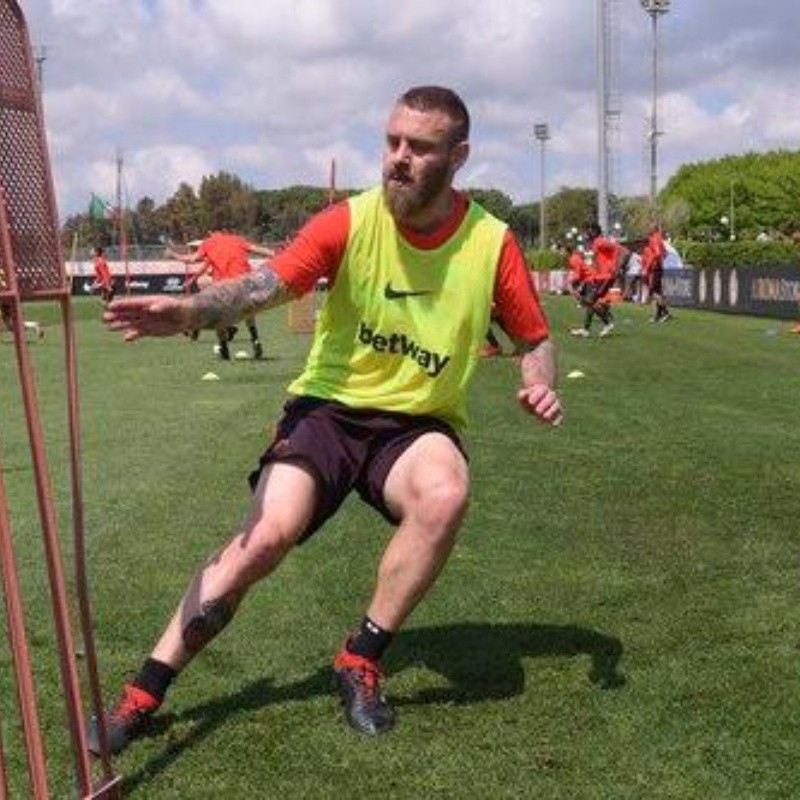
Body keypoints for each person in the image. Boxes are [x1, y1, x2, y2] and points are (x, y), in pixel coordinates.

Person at [89, 85, 563, 755]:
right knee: (263, 540)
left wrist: (538, 383)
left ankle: (360, 658)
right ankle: (142, 694)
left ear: (458, 157)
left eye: (419, 148)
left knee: (446, 490)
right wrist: (192, 311)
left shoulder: (491, 241)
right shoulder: (349, 220)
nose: (398, 158)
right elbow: (268, 284)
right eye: (392, 141)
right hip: (328, 413)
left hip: (415, 426)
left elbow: (533, 338)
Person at [168, 231, 275, 360]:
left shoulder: (208, 243)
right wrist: (276, 254)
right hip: (244, 281)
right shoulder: (237, 239)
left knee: (220, 318)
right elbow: (258, 249)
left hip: (223, 286)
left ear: (211, 234)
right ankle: (255, 339)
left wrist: (173, 255)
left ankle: (224, 349)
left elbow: (192, 259)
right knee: (249, 312)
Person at [569, 224, 622, 338]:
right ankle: (586, 329)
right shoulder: (595, 243)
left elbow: (617, 248)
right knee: (590, 302)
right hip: (599, 277)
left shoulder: (599, 241)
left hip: (606, 276)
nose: (588, 233)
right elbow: (598, 261)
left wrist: (614, 265)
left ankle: (608, 322)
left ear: (595, 231)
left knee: (590, 301)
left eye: (590, 231)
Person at [643, 224, 672, 323]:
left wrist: (651, 263)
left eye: (648, 227)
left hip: (655, 268)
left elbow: (658, 253)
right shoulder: (659, 239)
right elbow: (665, 253)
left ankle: (666, 313)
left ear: (653, 229)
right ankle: (657, 315)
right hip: (659, 267)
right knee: (658, 292)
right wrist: (660, 261)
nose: (647, 229)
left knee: (653, 292)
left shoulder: (654, 239)